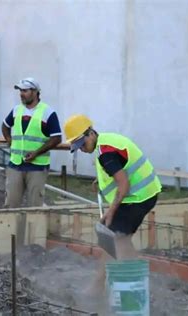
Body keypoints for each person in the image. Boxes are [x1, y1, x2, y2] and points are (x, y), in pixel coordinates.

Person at [63, 114, 161, 292]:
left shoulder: (105, 153)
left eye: (82, 144)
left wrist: (110, 212)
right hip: (144, 194)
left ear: (90, 133)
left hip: (137, 198)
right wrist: (101, 182)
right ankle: (134, 277)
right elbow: (119, 169)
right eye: (78, 147)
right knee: (119, 241)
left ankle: (101, 286)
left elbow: (123, 184)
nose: (82, 150)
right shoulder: (105, 143)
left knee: (115, 240)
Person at [1, 78, 61, 208]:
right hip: (15, 164)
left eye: (25, 91)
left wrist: (37, 153)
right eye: (20, 91)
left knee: (35, 207)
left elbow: (56, 138)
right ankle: (12, 229)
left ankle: (34, 229)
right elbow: (5, 126)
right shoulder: (17, 110)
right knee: (10, 205)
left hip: (37, 167)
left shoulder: (47, 112)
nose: (21, 94)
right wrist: (9, 139)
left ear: (35, 92)